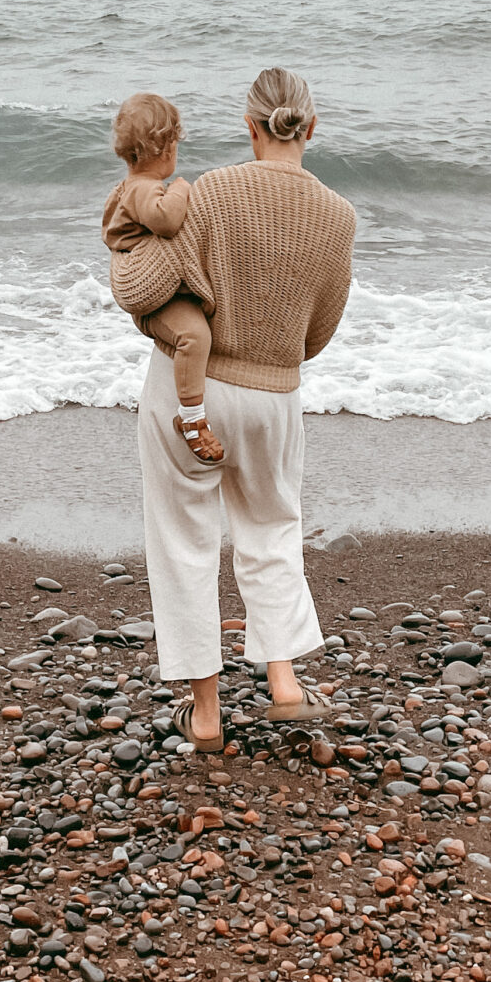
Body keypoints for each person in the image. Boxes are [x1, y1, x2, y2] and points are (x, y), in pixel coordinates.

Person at [109, 67, 355, 751]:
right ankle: (283, 683)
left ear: (249, 128)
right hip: (275, 395)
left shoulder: (210, 192)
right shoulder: (339, 216)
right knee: (272, 529)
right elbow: (319, 333)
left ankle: (208, 713)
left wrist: (123, 254)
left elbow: (147, 285)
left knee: (186, 540)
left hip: (196, 389)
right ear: (311, 127)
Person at [102, 92, 224, 464]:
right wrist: (184, 188)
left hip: (157, 289)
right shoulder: (143, 189)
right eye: (174, 144)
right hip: (150, 294)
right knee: (194, 335)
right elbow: (167, 222)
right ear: (162, 149)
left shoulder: (133, 186)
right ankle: (190, 419)